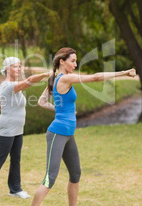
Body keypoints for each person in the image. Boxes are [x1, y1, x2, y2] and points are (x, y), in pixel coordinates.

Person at [31, 47, 136, 206]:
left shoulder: (55, 78)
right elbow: (95, 78)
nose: (75, 64)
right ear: (62, 61)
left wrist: (62, 110)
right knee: (50, 179)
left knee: (75, 174)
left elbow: (41, 102)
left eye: (76, 61)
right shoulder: (65, 79)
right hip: (57, 133)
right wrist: (123, 73)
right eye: (72, 61)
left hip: (68, 133)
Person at [0, 57, 51, 203]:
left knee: (16, 159)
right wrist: (46, 74)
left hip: (18, 128)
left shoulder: (7, 85)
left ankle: (15, 189)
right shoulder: (8, 86)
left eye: (20, 67)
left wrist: (7, 109)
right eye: (15, 67)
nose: (18, 69)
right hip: (6, 127)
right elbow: (29, 81)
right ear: (7, 68)